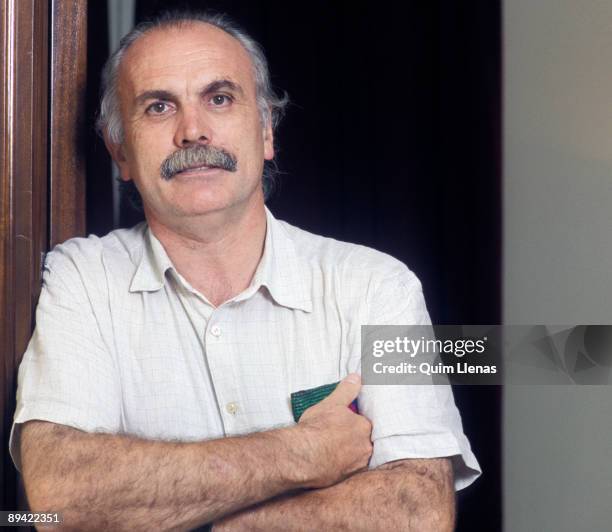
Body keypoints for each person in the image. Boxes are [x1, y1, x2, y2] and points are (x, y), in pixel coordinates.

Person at [10, 10, 480, 531]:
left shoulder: (377, 286)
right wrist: (301, 453)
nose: (193, 131)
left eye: (220, 98)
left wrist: (210, 520)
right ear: (119, 151)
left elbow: (420, 510)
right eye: (159, 106)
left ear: (266, 129)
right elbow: (60, 498)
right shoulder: (82, 278)